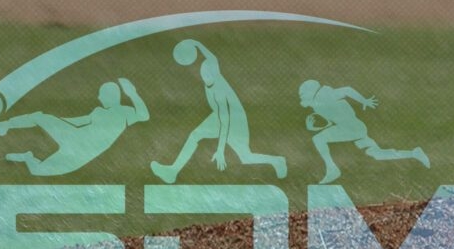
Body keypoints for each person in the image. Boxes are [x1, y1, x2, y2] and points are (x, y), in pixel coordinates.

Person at [151, 38, 288, 181]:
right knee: (195, 135)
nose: (206, 75)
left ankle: (277, 161)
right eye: (204, 73)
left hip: (235, 120)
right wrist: (197, 44)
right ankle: (172, 171)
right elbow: (211, 57)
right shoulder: (212, 71)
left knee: (246, 157)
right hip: (221, 115)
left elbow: (225, 121)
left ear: (215, 73)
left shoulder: (219, 92)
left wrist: (220, 150)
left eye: (209, 73)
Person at [0, 78, 150, 176]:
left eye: (102, 94)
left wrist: (132, 93)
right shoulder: (98, 111)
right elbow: (79, 121)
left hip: (83, 152)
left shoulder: (124, 112)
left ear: (111, 96)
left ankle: (27, 157)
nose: (99, 98)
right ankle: (4, 126)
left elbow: (144, 115)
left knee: (39, 170)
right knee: (39, 117)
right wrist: (56, 122)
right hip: (75, 138)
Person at [300, 79, 431, 184]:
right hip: (355, 128)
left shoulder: (325, 95)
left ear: (311, 91)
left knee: (318, 139)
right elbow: (330, 122)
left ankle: (332, 169)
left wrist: (364, 100)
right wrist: (313, 127)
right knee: (377, 154)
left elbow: (347, 90)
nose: (302, 97)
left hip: (351, 128)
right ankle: (414, 153)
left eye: (303, 94)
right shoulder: (319, 103)